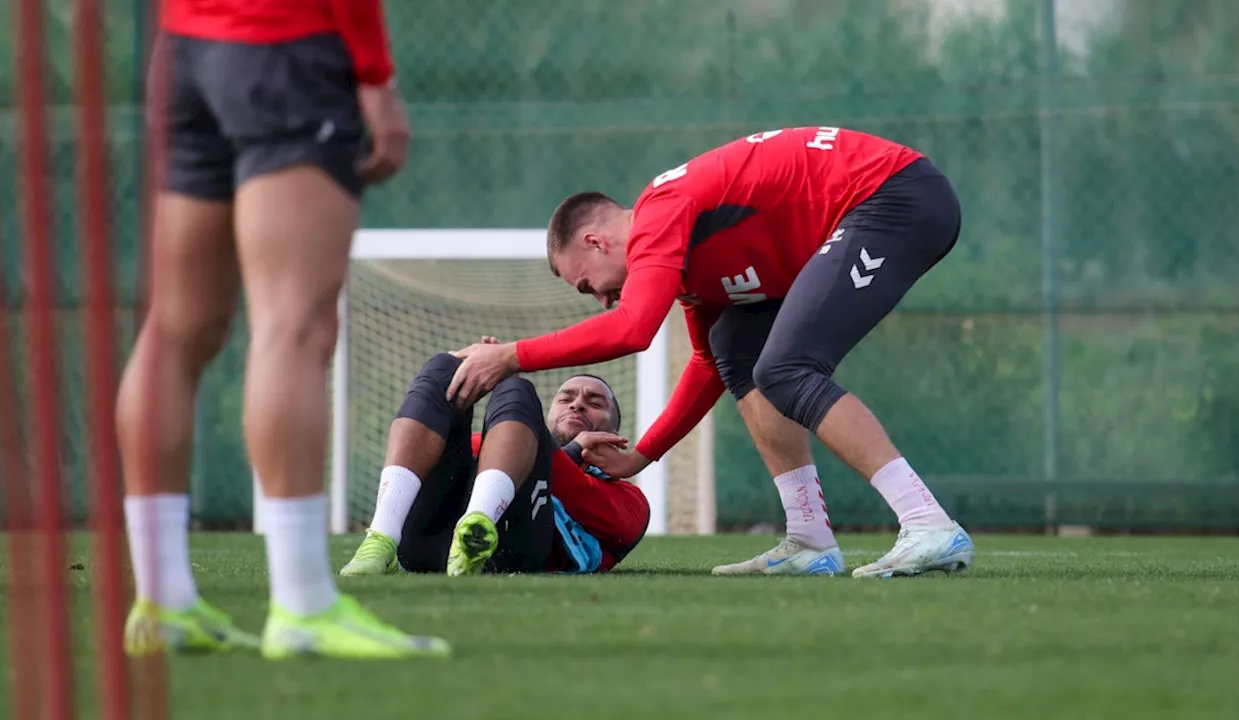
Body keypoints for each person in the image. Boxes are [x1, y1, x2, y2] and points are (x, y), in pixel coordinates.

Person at [446, 126, 975, 579]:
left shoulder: (660, 211)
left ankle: (927, 522)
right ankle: (810, 538)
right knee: (734, 346)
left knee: (787, 367)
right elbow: (707, 366)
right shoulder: (683, 265)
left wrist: (511, 355)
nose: (602, 299)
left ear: (595, 240)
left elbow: (632, 329)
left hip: (894, 196)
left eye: (588, 287)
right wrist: (642, 454)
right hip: (868, 210)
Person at [117, 0, 449, 659]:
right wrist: (377, 77)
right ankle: (303, 604)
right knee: (293, 325)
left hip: (185, 50)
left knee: (178, 328)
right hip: (286, 45)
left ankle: (162, 600)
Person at [340, 352, 649, 577]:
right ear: (546, 417)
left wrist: (564, 450)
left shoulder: (630, 500)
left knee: (517, 389)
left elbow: (586, 498)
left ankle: (478, 531)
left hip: (512, 552)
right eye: (565, 398)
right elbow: (462, 454)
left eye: (594, 403)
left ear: (615, 433)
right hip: (427, 542)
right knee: (444, 367)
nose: (577, 403)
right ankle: (380, 540)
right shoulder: (497, 442)